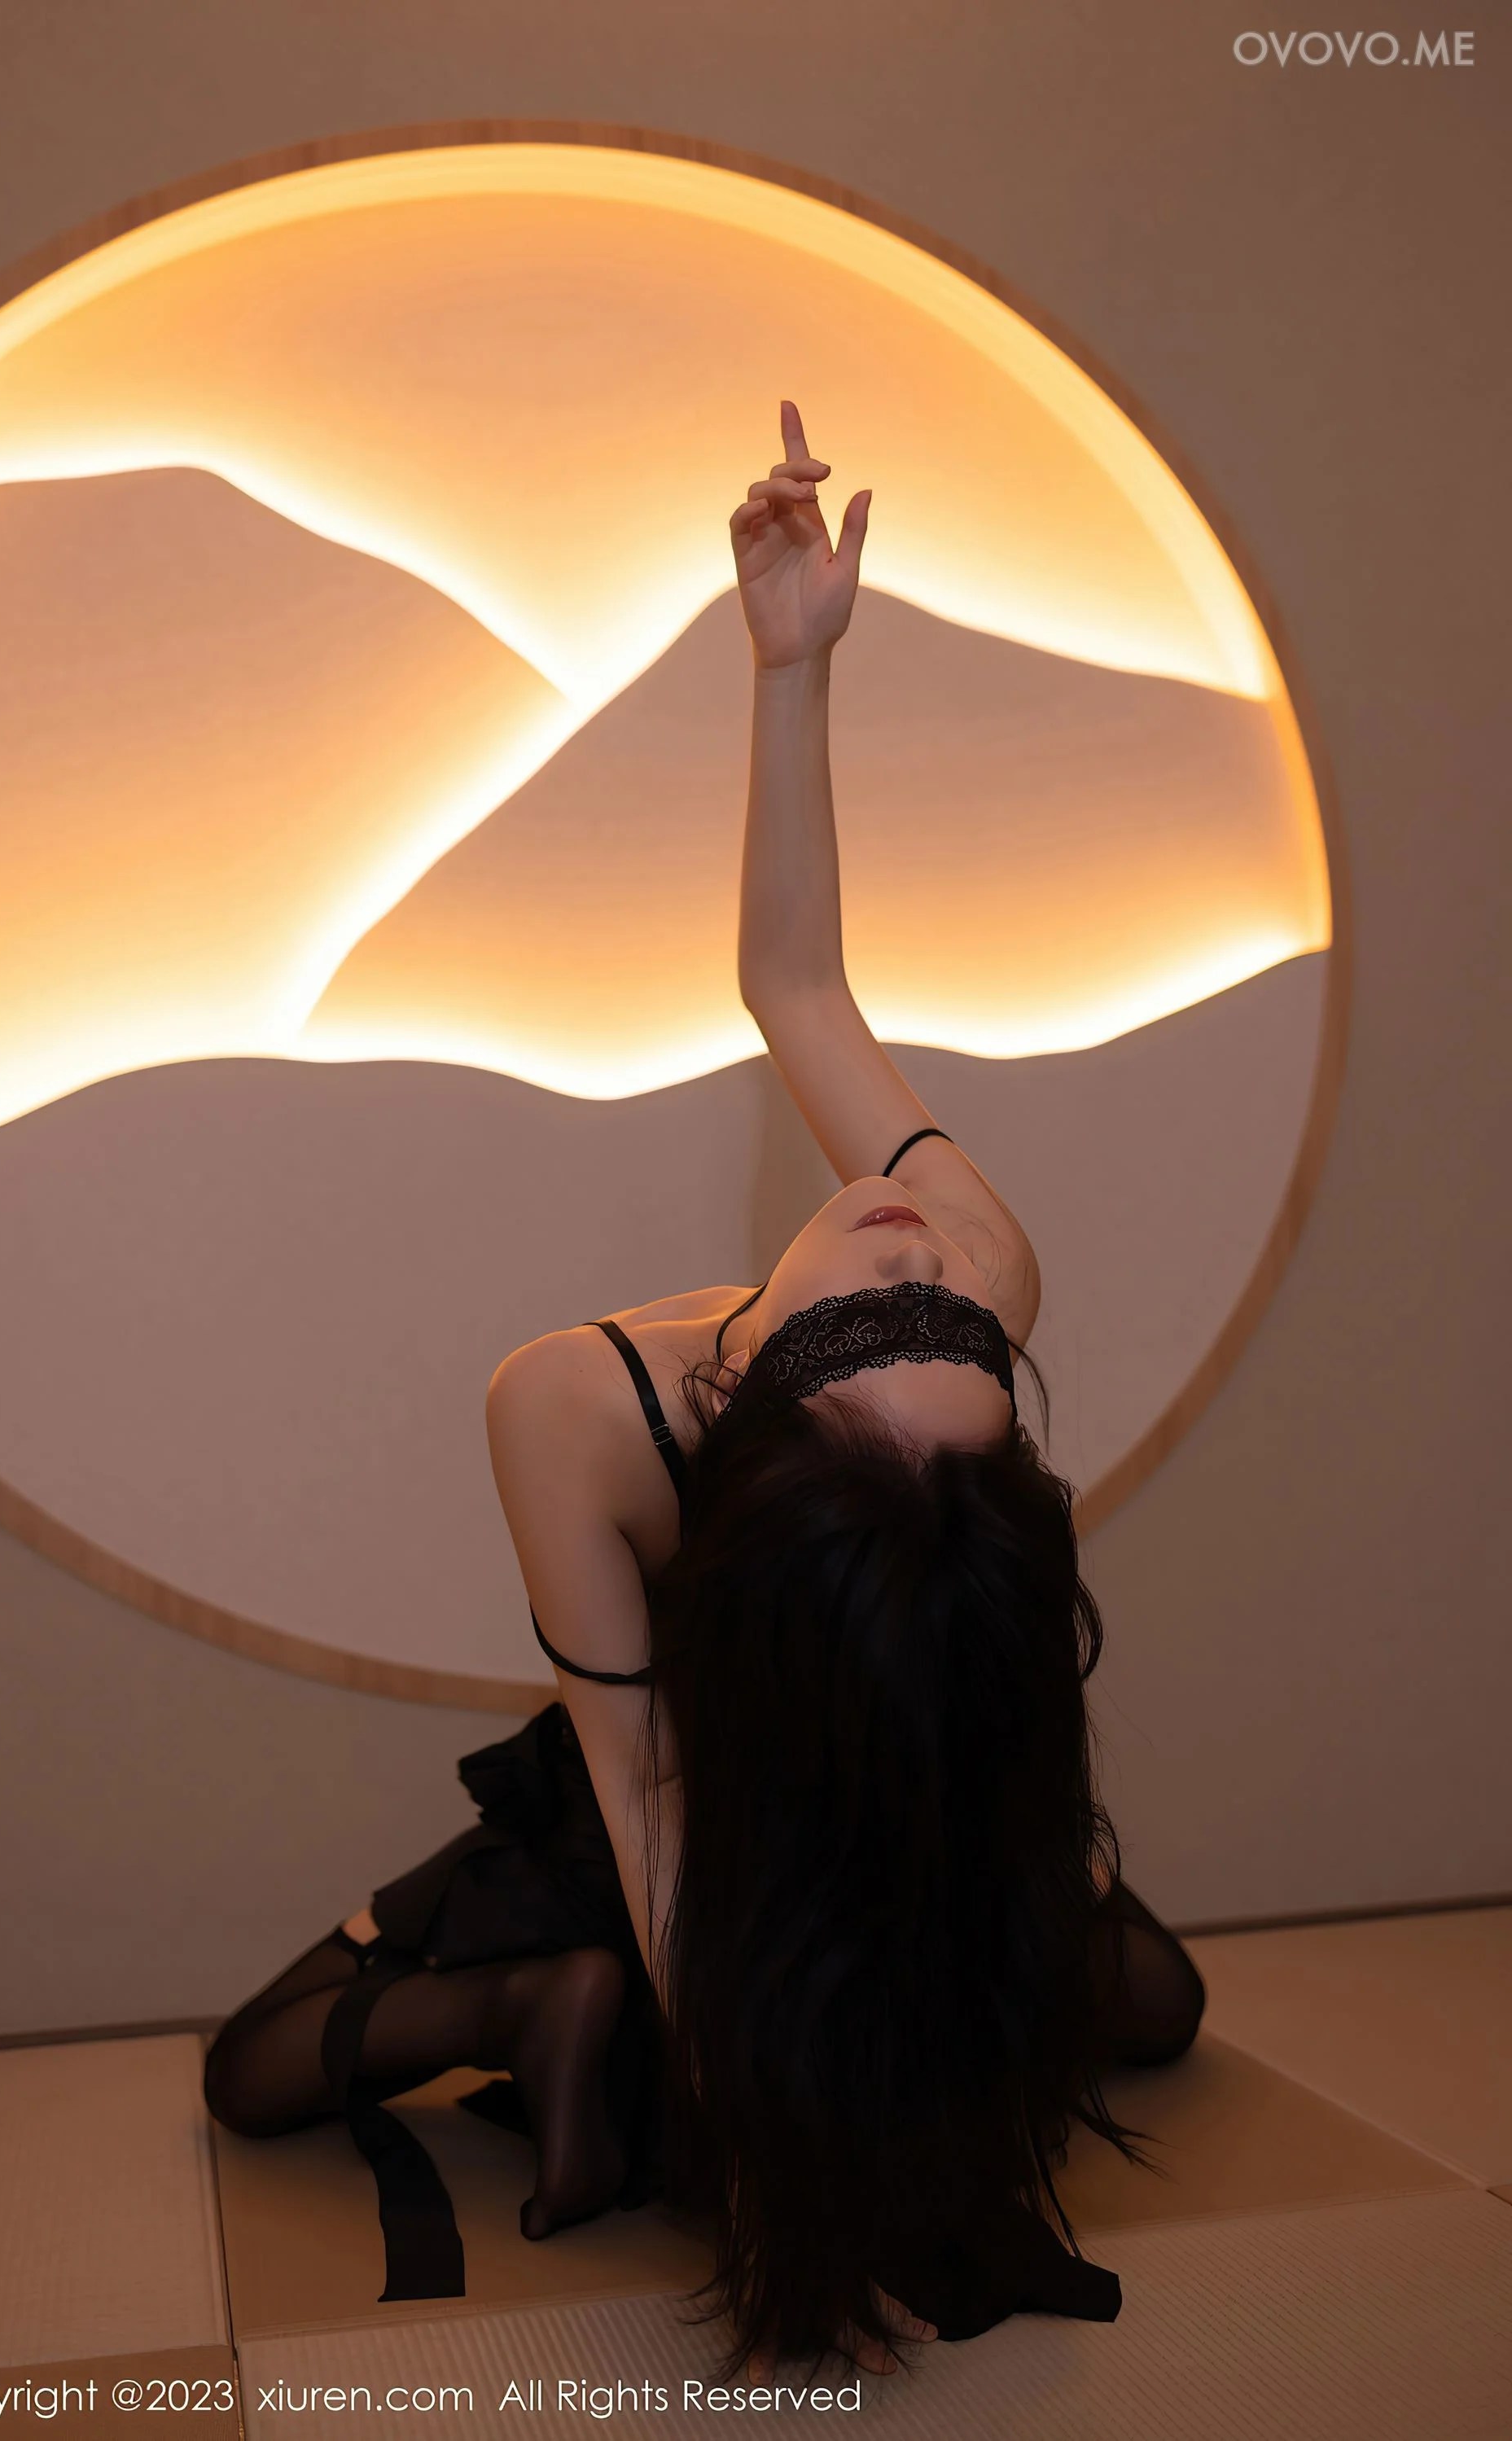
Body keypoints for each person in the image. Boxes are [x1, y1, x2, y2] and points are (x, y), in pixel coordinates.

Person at [203, 402, 1207, 2382]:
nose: (911, 1253)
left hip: (880, 1755)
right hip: (664, 1759)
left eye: (910, 1325)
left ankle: (640, 2047)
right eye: (932, 1309)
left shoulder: (894, 1361)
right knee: (259, 2067)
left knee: (1149, 1997)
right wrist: (791, 660)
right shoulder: (621, 1391)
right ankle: (545, 2004)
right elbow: (796, 985)